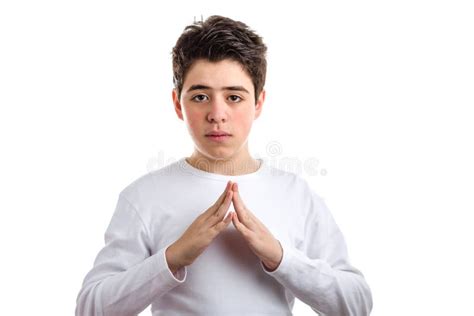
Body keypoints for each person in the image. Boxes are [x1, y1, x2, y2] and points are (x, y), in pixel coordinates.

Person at [75, 15, 373, 316]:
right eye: (201, 96)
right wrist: (173, 257)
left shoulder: (296, 194)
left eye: (234, 96)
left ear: (258, 102)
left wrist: (281, 258)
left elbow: (356, 304)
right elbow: (90, 308)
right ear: (178, 104)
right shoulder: (142, 197)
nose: (217, 114)